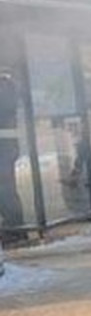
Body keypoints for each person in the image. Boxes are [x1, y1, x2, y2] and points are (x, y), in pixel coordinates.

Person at [0, 72, 24, 236]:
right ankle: (12, 227)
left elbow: (5, 110)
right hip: (5, 145)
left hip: (4, 147)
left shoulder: (5, 85)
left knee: (5, 189)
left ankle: (15, 228)